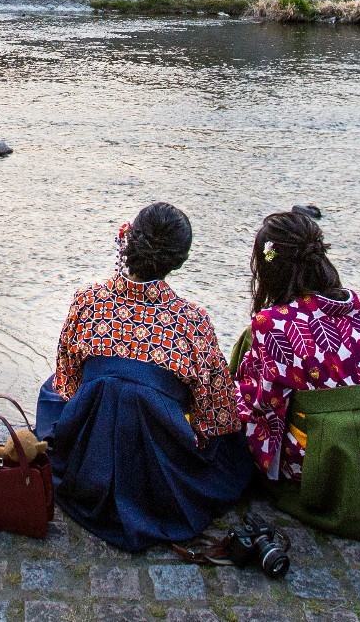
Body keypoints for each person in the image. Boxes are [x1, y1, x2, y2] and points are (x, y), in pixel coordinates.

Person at [37, 203, 254, 552]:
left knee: (53, 387)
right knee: (230, 444)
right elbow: (217, 416)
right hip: (156, 471)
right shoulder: (193, 322)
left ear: (129, 241)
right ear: (180, 260)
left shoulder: (86, 301)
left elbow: (68, 384)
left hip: (88, 462)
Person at [232, 207, 360, 542]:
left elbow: (263, 407)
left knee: (233, 402)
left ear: (269, 267)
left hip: (317, 468)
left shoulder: (273, 323)